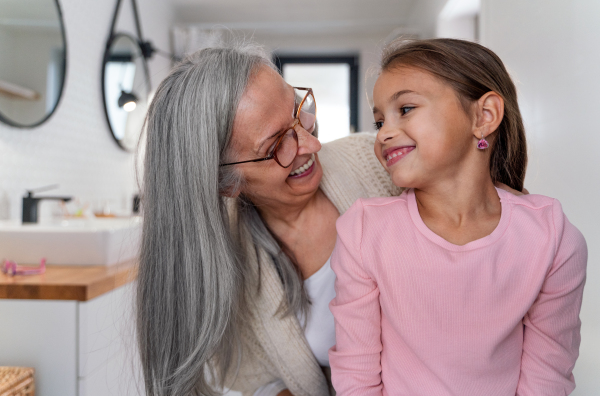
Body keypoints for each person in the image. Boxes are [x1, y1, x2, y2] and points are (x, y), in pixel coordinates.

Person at [136, 41, 524, 396]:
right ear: (226, 183)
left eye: (298, 112)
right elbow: (256, 381)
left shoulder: (386, 166)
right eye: (276, 146)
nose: (311, 144)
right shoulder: (224, 270)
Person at [328, 38, 587, 396]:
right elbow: (357, 375)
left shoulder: (552, 236)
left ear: (484, 116)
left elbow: (547, 376)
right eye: (378, 122)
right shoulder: (362, 231)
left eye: (405, 109)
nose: (385, 132)